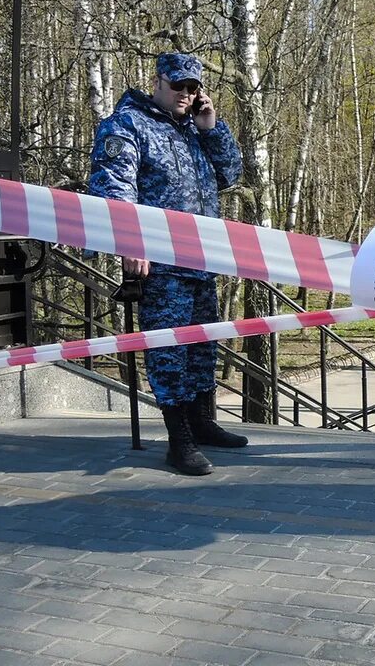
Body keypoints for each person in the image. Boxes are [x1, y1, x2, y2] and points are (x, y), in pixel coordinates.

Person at [89, 53, 248, 476]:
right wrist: (129, 242)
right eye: (178, 86)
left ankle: (202, 423)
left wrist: (212, 128)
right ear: (158, 81)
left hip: (202, 260)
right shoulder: (126, 125)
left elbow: (231, 174)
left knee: (202, 347)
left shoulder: (194, 128)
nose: (186, 94)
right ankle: (179, 440)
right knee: (167, 351)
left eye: (193, 87)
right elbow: (113, 188)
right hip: (159, 265)